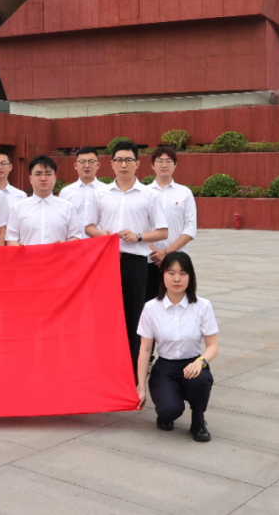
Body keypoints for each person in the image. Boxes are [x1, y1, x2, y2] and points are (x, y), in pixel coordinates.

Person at [85, 140, 168, 376]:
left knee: (134, 319)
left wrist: (138, 236)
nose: (124, 164)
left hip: (135, 264)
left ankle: (131, 373)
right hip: (106, 263)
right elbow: (89, 226)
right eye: (119, 160)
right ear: (111, 164)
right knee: (105, 317)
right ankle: (106, 368)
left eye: (128, 160)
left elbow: (163, 231)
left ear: (137, 164)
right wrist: (102, 235)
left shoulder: (149, 195)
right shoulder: (101, 194)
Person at [136, 251, 218, 442]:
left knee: (200, 380)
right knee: (170, 410)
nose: (177, 279)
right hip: (165, 367)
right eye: (171, 273)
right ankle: (167, 409)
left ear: (190, 276)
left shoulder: (203, 306)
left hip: (193, 364)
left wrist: (200, 362)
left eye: (183, 273)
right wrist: (141, 388)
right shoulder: (151, 308)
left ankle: (198, 422)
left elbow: (213, 345)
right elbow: (145, 350)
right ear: (163, 275)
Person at [146, 146, 198, 303]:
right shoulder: (144, 193)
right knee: (149, 304)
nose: (164, 165)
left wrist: (167, 253)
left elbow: (190, 229)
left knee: (178, 303)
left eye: (168, 161)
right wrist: (155, 253)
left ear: (175, 165)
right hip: (149, 260)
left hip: (177, 261)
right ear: (152, 165)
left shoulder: (184, 193)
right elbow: (139, 227)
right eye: (160, 161)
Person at [6, 155, 83, 246]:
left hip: (58, 255)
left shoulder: (67, 207)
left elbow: (76, 237)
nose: (43, 178)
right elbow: (11, 238)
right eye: (38, 174)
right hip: (28, 255)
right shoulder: (18, 208)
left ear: (54, 178)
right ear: (30, 179)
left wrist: (65, 245)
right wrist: (18, 247)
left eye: (48, 174)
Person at [58, 146, 105, 227]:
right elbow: (61, 221)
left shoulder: (107, 191)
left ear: (98, 165)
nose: (86, 165)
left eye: (91, 161)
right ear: (76, 166)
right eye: (82, 162)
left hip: (100, 235)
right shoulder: (65, 193)